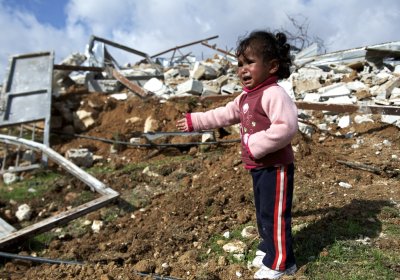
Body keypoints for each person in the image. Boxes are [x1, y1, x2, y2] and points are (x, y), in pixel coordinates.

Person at [176, 30, 298, 279]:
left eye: (250, 62)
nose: (242, 69)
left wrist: (255, 145)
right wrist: (195, 121)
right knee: (263, 211)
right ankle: (268, 249)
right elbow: (222, 114)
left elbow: (286, 127)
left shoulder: (274, 93)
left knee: (274, 215)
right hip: (258, 167)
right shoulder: (245, 97)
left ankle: (283, 263)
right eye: (240, 64)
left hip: (276, 166)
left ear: (272, 66)